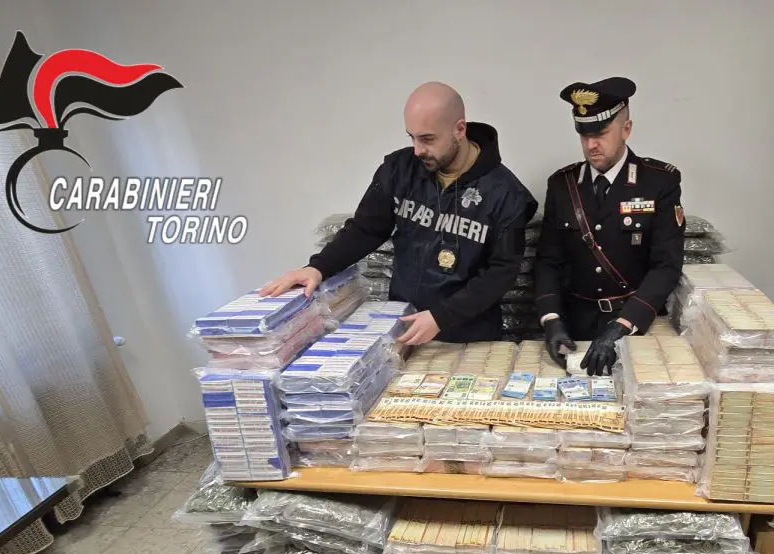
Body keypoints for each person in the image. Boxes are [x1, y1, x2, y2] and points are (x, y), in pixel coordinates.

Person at [260, 82, 537, 344]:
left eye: (427, 139)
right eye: (412, 137)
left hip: (468, 336)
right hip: (403, 327)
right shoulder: (400, 170)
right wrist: (318, 267)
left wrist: (442, 317)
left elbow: (501, 273)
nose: (417, 150)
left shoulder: (506, 194)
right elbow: (365, 229)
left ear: (459, 129)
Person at [534, 77, 685, 375]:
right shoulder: (563, 185)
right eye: (584, 135)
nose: (591, 145)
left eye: (601, 133)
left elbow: (666, 265)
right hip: (576, 328)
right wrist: (551, 319)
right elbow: (548, 261)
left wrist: (624, 325)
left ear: (626, 129)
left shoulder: (658, 182)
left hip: (635, 324)